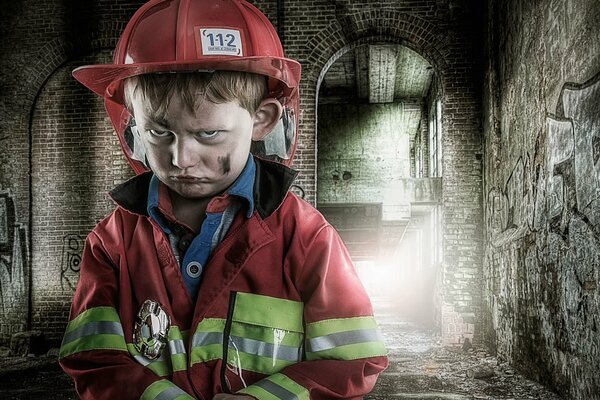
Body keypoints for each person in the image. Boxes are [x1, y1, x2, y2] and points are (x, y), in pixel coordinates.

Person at [58, 0, 388, 399]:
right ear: (133, 126)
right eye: (159, 133)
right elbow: (94, 358)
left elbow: (353, 360)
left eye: (208, 134)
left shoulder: (307, 238)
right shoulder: (111, 244)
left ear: (263, 119)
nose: (180, 158)